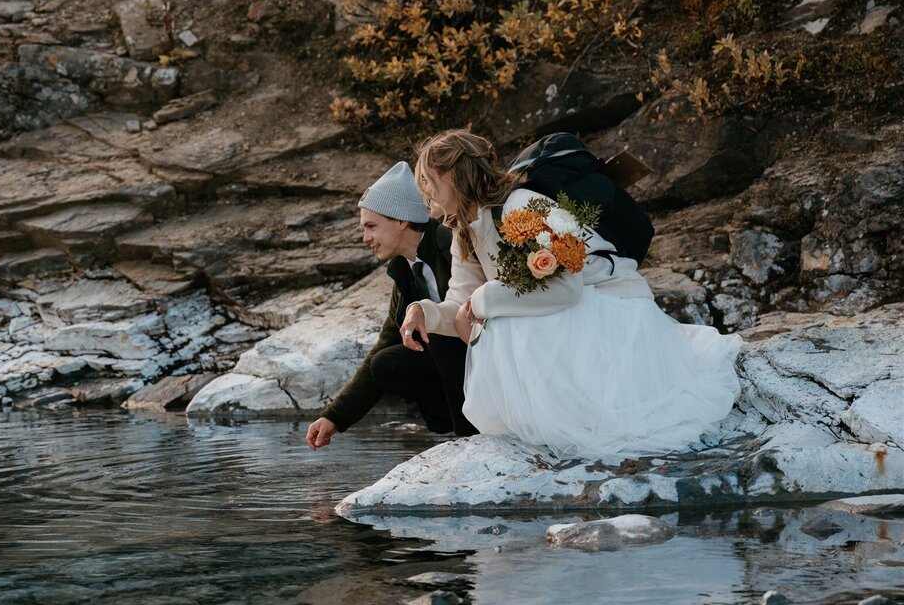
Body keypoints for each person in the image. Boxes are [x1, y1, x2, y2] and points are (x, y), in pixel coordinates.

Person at [399, 129, 741, 459]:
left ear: (453, 175)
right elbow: (460, 303)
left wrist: (483, 300)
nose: (423, 192)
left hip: (613, 309)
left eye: (427, 180)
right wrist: (422, 312)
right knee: (499, 315)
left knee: (504, 321)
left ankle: (570, 420)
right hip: (572, 316)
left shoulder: (521, 205)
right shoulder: (465, 231)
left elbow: (565, 288)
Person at [306, 161, 477, 450]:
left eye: (371, 226)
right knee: (386, 363)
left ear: (401, 220)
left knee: (437, 332)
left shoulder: (449, 242)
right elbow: (387, 340)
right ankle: (453, 426)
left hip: (488, 356)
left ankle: (472, 429)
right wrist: (334, 417)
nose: (366, 238)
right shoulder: (404, 269)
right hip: (458, 364)